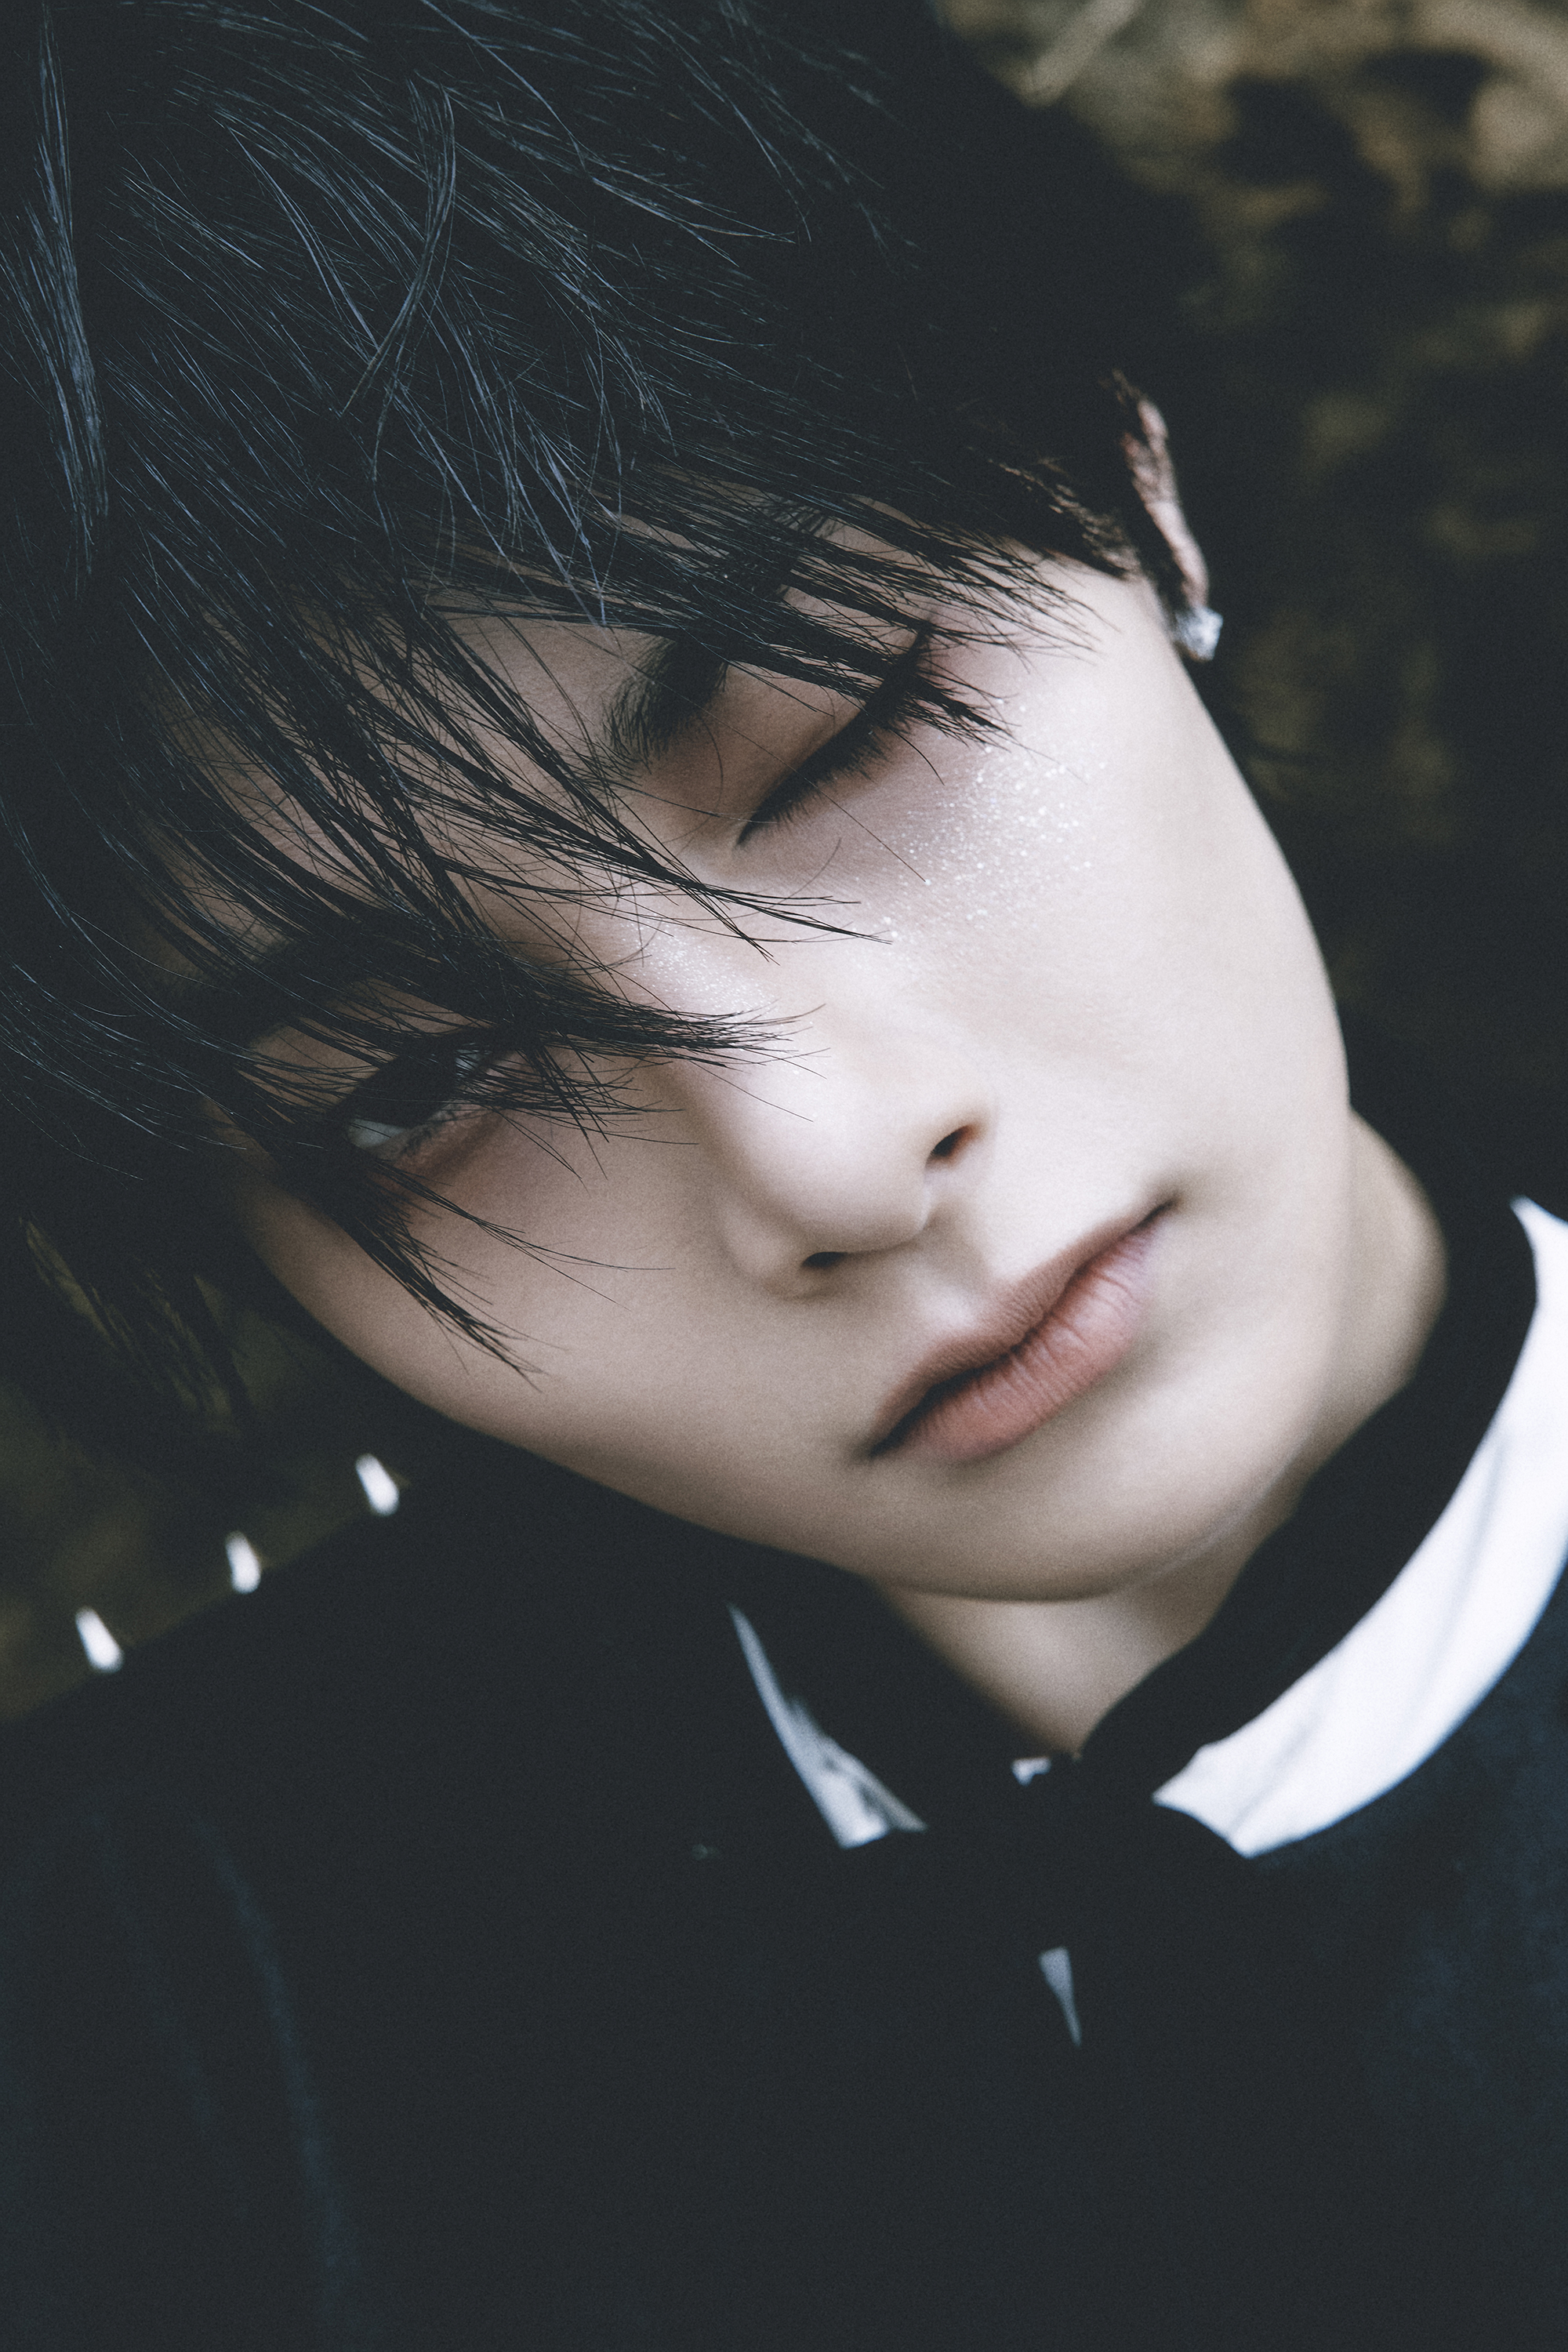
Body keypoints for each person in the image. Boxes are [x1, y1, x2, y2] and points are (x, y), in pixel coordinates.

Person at [0, 2, 1564, 2347]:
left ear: (1130, 488)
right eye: (422, 1082)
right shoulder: (150, 2047)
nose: (832, 1156)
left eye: (845, 729)